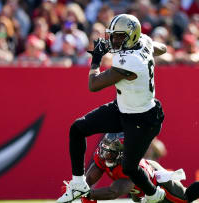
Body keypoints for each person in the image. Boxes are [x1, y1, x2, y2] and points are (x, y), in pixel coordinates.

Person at [57, 14, 168, 203]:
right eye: (113, 36)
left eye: (119, 37)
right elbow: (162, 49)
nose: (114, 40)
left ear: (132, 36)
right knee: (77, 128)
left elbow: (93, 85)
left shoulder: (130, 61)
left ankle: (153, 194)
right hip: (123, 108)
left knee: (130, 168)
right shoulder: (144, 41)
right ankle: (78, 184)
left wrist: (96, 59)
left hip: (142, 118)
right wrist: (148, 49)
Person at [70, 133, 199, 203]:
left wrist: (81, 194)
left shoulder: (129, 168)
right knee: (137, 198)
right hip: (138, 185)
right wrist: (78, 188)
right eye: (104, 149)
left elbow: (112, 193)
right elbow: (86, 183)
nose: (104, 154)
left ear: (120, 155)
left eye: (110, 152)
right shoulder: (102, 157)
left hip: (155, 181)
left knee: (186, 198)